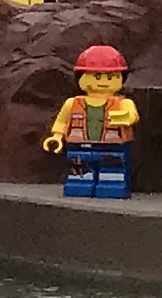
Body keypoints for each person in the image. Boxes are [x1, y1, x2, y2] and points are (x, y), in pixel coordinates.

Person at [43, 46, 138, 200]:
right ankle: (80, 185)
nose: (103, 82)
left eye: (110, 77)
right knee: (79, 167)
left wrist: (126, 117)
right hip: (79, 145)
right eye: (97, 76)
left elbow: (133, 115)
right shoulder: (72, 103)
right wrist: (56, 136)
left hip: (112, 146)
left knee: (112, 169)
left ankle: (112, 187)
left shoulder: (123, 103)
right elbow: (62, 121)